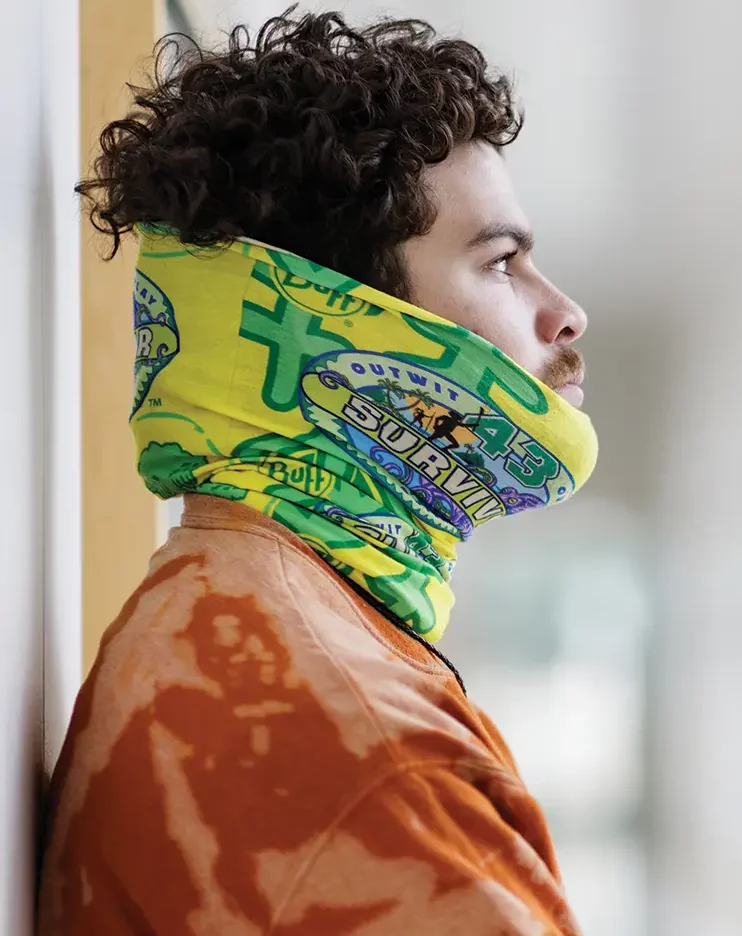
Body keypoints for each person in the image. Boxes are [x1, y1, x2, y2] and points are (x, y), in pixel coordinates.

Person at [38, 11, 596, 935]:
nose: (566, 314)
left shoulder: (225, 606)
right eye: (502, 263)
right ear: (344, 323)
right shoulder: (361, 746)